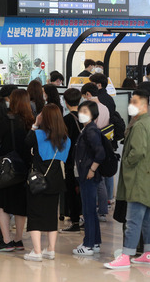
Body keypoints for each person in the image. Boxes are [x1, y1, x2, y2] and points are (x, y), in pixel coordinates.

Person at [104, 90, 150, 269]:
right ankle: (148, 253)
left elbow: (138, 151)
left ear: (144, 105)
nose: (131, 104)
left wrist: (127, 161)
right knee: (148, 217)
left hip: (139, 179)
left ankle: (126, 255)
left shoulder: (139, 126)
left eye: (134, 102)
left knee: (132, 219)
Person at [0, 91, 33, 252]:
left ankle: (6, 241)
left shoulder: (5, 120)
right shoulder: (30, 121)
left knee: (1, 205)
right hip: (23, 168)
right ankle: (18, 240)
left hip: (5, 169)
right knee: (20, 205)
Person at [24, 104, 70, 261]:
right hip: (56, 180)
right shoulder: (66, 138)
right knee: (52, 216)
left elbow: (26, 143)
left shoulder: (37, 134)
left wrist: (35, 124)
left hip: (38, 179)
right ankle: (51, 250)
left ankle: (36, 251)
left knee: (35, 215)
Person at [72, 101, 106, 256]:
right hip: (87, 174)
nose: (81, 114)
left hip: (88, 175)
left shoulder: (90, 131)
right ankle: (95, 242)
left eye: (85, 111)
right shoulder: (88, 129)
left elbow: (100, 153)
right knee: (90, 210)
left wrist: (92, 169)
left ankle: (88, 245)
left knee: (88, 211)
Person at [61, 88, 84, 233]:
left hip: (70, 160)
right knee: (82, 191)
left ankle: (75, 221)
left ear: (65, 102)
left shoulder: (67, 120)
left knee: (71, 191)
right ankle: (84, 217)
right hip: (84, 160)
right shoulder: (85, 117)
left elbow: (63, 141)